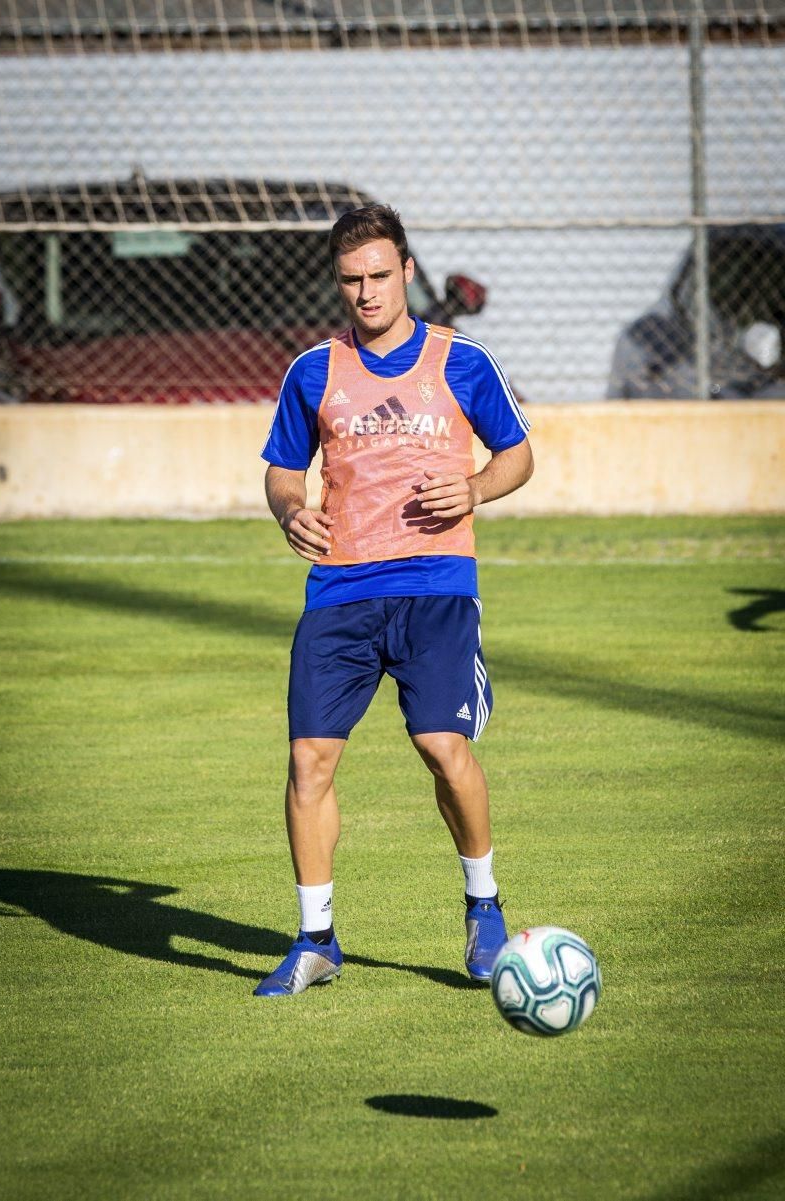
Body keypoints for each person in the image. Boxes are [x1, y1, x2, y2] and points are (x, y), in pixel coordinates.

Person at [255, 204, 533, 997]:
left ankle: (483, 904)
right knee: (309, 759)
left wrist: (473, 487)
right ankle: (315, 939)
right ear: (337, 283)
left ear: (407, 271)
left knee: (442, 746)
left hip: (436, 584)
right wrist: (289, 508)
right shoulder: (313, 370)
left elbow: (518, 453)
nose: (367, 292)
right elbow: (281, 468)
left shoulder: (461, 360)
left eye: (380, 275)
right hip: (339, 590)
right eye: (351, 280)